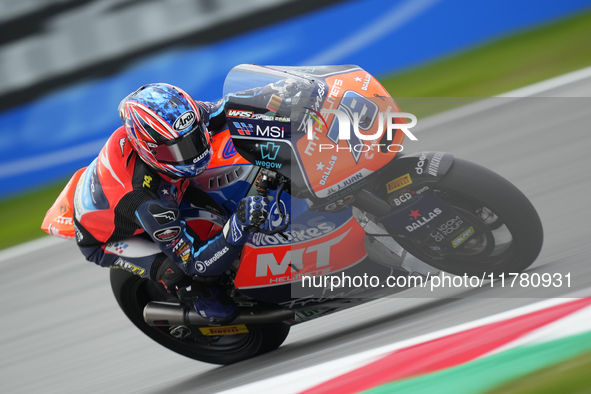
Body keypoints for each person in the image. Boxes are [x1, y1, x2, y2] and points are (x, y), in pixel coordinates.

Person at [72, 83, 269, 322]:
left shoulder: (177, 123)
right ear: (149, 150)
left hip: (147, 187)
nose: (193, 152)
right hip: (107, 237)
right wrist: (238, 226)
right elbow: (195, 262)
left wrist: (279, 94)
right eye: (178, 150)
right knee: (180, 273)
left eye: (196, 138)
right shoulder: (147, 201)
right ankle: (196, 300)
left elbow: (227, 107)